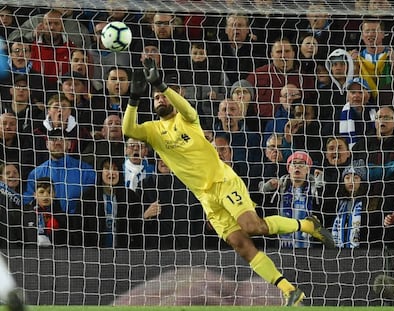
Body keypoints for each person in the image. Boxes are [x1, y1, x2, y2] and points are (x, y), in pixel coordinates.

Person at [122, 58, 335, 306]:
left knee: (253, 226)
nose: (159, 99)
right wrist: (134, 99)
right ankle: (289, 290)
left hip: (223, 181)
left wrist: (160, 84)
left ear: (172, 99)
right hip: (206, 197)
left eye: (163, 96)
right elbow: (128, 129)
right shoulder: (152, 130)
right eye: (155, 98)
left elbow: (186, 107)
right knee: (240, 244)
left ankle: (308, 225)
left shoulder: (187, 118)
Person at [75, 158, 142, 248]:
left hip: (124, 253)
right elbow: (78, 228)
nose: (111, 172)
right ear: (101, 172)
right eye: (107, 168)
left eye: (115, 169)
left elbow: (136, 226)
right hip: (94, 253)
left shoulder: (130, 197)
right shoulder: (87, 197)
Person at [262, 151, 323, 248]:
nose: (297, 167)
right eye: (294, 163)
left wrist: (320, 185)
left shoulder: (314, 190)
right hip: (280, 247)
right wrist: (266, 188)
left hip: (310, 247)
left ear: (308, 169)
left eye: (301, 164)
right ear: (288, 169)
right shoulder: (278, 189)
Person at [331, 161, 368, 248]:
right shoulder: (339, 203)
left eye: (355, 177)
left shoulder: (369, 202)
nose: (351, 181)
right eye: (347, 178)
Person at [23, 177, 67, 247]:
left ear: (54, 194)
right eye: (41, 192)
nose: (46, 196)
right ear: (35, 195)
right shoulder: (24, 213)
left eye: (49, 192)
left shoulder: (62, 216)